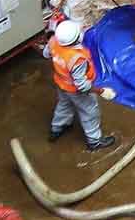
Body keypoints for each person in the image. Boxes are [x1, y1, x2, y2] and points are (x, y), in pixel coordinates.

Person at [45, 19, 117, 152]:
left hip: (61, 84)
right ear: (77, 38)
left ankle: (57, 128)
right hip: (75, 91)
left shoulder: (54, 41)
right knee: (89, 113)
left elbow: (46, 54)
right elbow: (82, 86)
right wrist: (101, 91)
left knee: (64, 105)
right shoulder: (77, 59)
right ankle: (95, 142)